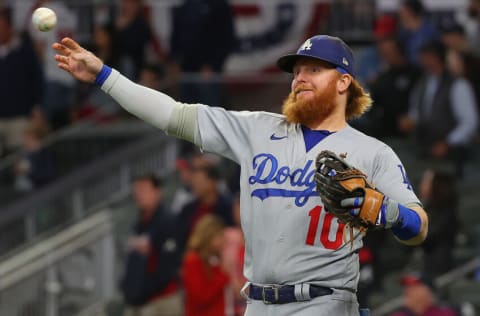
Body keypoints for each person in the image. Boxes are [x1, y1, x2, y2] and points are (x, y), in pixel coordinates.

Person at [52, 34, 428, 315]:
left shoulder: (372, 152)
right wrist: (104, 76)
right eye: (296, 72)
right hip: (258, 302)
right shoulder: (257, 130)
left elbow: (419, 226)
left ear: (344, 82)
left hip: (323, 302)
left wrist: (386, 212)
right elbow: (172, 115)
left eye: (314, 69)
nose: (300, 78)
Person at [120, 174, 183, 316]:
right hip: (138, 301)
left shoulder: (168, 222)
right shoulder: (138, 225)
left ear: (157, 192)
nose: (138, 195)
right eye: (136, 191)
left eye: (143, 190)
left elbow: (168, 267)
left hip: (162, 301)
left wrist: (143, 290)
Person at [182, 214, 231, 316]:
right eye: (220, 236)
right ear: (208, 236)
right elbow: (200, 297)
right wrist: (223, 276)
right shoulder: (193, 261)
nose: (224, 241)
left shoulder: (215, 259)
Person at [418, 170, 459, 279]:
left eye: (426, 182)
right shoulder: (426, 207)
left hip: (437, 267)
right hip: (422, 264)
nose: (422, 185)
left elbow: (429, 235)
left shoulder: (447, 212)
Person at [389, 274, 459, 316]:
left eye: (414, 287)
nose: (407, 291)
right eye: (406, 287)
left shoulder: (445, 314)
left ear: (428, 292)